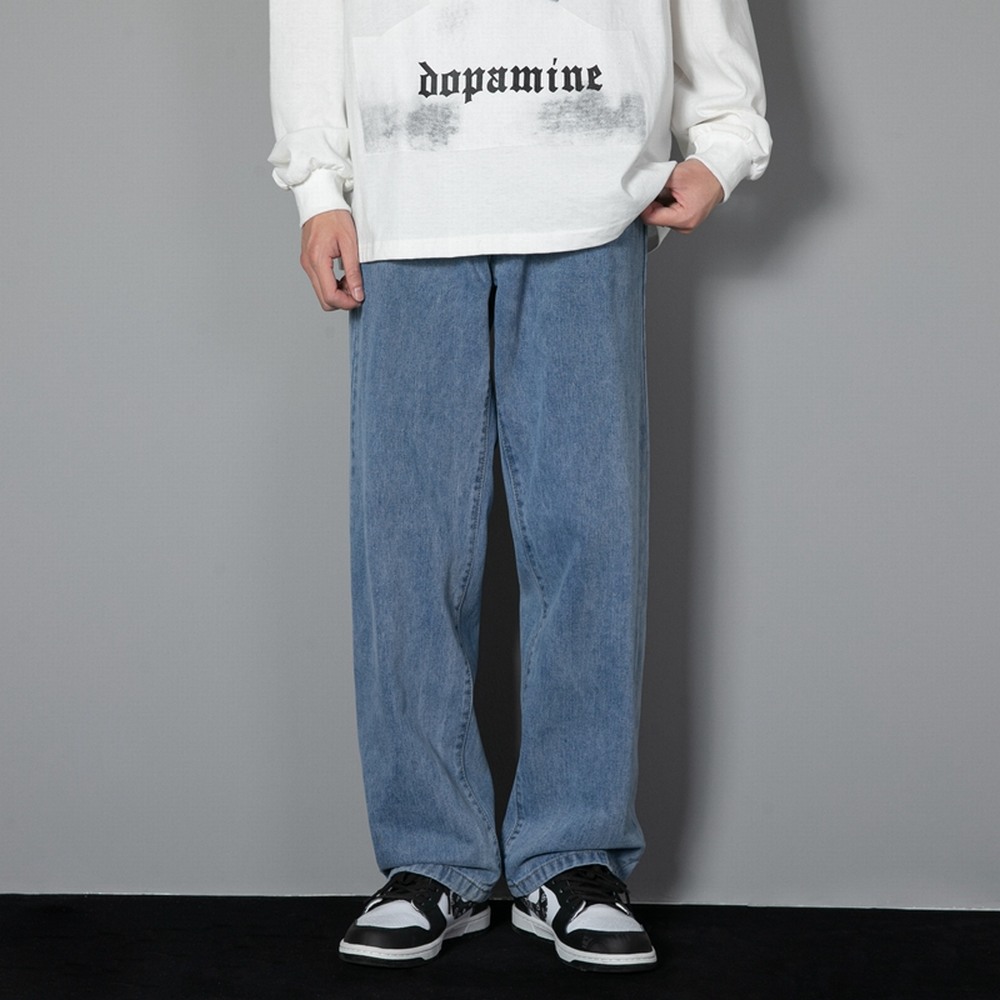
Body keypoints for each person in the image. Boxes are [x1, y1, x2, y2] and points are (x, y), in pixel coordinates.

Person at [269, 0, 770, 973]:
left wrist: (724, 139)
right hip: (409, 194)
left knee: (591, 538)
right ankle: (430, 856)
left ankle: (573, 854)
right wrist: (318, 186)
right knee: (407, 546)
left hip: (590, 191)